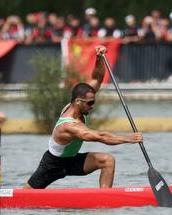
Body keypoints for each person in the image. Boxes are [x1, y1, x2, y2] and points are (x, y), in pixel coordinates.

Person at [24, 45, 143, 189]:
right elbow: (100, 136)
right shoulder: (69, 126)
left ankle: (104, 199)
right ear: (78, 101)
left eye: (94, 101)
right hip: (53, 164)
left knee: (107, 160)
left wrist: (99, 58)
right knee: (27, 193)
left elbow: (97, 78)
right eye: (90, 103)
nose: (92, 106)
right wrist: (129, 139)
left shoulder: (81, 101)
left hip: (73, 160)